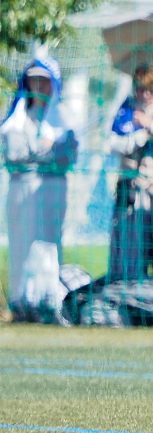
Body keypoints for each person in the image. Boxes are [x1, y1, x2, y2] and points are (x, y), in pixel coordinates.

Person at [2, 51, 77, 318]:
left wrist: (39, 151)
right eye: (33, 81)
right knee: (22, 244)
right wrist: (44, 150)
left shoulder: (63, 118)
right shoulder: (18, 118)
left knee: (48, 244)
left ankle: (48, 300)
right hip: (22, 189)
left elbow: (67, 153)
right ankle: (21, 301)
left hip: (53, 189)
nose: (38, 87)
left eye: (44, 81)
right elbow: (14, 152)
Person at [107, 65, 153, 286]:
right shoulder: (126, 109)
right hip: (131, 190)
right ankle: (127, 292)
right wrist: (136, 138)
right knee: (130, 247)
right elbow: (111, 142)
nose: (145, 94)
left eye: (151, 89)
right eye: (140, 88)